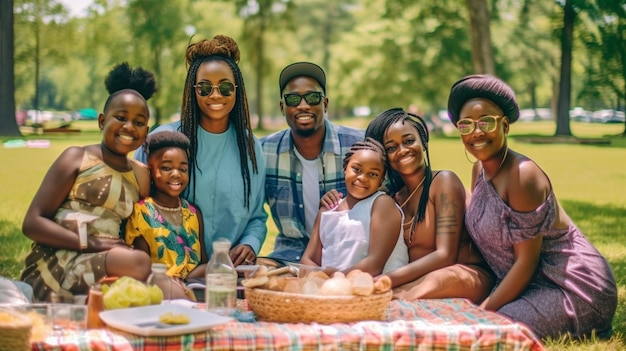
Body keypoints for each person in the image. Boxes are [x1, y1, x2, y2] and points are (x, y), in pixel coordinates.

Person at [447, 74, 617, 339]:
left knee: (485, 332)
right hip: (528, 285)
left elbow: (527, 262)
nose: (476, 132)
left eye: (486, 122)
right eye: (466, 125)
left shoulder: (523, 176)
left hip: (572, 287)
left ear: (505, 125)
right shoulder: (478, 170)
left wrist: (483, 312)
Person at [323, 107, 494, 304]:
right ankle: (381, 296)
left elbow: (445, 255)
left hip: (460, 273)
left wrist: (385, 280)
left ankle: (384, 297)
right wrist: (331, 203)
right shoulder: (392, 200)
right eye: (392, 147)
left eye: (408, 141)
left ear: (423, 142)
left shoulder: (443, 182)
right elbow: (353, 215)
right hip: (411, 279)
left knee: (437, 280)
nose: (402, 150)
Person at [20, 62, 156, 302]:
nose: (128, 127)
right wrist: (91, 244)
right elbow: (32, 223)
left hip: (111, 259)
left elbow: (143, 225)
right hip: (60, 262)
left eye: (138, 122)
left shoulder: (140, 176)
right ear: (102, 121)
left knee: (171, 288)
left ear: (146, 131)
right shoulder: (77, 158)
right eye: (121, 117)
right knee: (139, 263)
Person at [135, 35, 266, 266]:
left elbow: (257, 217)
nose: (215, 95)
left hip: (227, 273)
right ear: (192, 90)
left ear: (237, 90)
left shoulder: (251, 148)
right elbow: (135, 207)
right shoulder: (161, 141)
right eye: (205, 87)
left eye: (225, 87)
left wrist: (250, 243)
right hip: (164, 273)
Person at [260, 62, 364, 265]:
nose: (303, 105)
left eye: (312, 97)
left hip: (346, 259)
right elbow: (250, 213)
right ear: (283, 108)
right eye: (293, 99)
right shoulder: (264, 151)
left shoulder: (358, 146)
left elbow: (388, 203)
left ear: (325, 104)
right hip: (289, 258)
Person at [301, 138, 407, 276]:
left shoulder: (381, 204)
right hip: (331, 290)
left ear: (381, 180)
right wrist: (323, 279)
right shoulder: (327, 209)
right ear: (345, 169)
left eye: (373, 174)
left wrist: (335, 278)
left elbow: (374, 264)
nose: (362, 178)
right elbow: (307, 261)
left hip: (373, 288)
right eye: (356, 169)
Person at [125, 131, 204, 300]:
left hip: (196, 289)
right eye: (166, 168)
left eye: (183, 169)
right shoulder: (140, 213)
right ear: (151, 171)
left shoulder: (193, 213)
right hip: (159, 293)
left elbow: (201, 262)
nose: (176, 174)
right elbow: (141, 270)